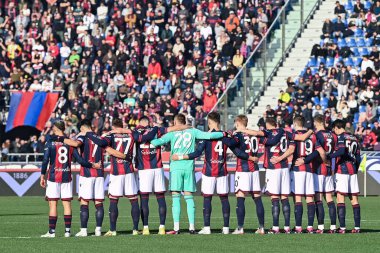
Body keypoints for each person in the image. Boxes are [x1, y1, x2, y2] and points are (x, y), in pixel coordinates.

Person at [172, 113, 256, 235]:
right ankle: (226, 228)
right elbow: (236, 151)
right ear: (219, 121)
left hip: (208, 171)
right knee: (224, 199)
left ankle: (207, 228)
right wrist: (251, 158)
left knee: (207, 198)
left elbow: (197, 153)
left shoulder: (206, 136)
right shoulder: (225, 136)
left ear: (210, 122)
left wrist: (180, 156)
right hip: (222, 171)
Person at [151, 114, 226, 234]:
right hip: (188, 167)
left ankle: (176, 228)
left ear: (176, 122)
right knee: (189, 196)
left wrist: (150, 137)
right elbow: (210, 136)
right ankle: (192, 227)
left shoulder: (172, 133)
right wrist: (224, 134)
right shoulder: (193, 131)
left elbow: (155, 142)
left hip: (175, 167)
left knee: (176, 196)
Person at [238, 118, 312, 234]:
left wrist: (243, 129)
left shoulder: (267, 133)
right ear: (276, 124)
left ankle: (276, 227)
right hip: (284, 167)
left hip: (273, 168)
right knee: (284, 198)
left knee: (274, 198)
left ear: (267, 125)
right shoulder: (285, 132)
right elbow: (298, 142)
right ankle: (287, 227)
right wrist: (310, 131)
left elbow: (256, 133)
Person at [40, 121, 99, 238]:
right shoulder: (70, 143)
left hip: (53, 176)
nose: (52, 129)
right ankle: (67, 231)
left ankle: (51, 232)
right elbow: (80, 160)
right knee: (67, 204)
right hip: (67, 176)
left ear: (57, 128)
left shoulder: (50, 142)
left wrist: (42, 175)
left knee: (53, 205)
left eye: (53, 127)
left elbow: (45, 160)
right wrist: (93, 165)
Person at [271, 116, 320, 233]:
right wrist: (307, 159)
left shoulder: (294, 135)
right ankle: (309, 227)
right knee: (309, 198)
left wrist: (280, 158)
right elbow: (318, 151)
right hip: (309, 169)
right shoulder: (312, 135)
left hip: (297, 169)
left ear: (295, 124)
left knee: (297, 198)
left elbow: (291, 149)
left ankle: (298, 227)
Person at [296, 115, 338, 233]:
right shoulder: (333, 135)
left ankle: (320, 227)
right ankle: (333, 227)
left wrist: (306, 160)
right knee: (329, 198)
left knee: (318, 199)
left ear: (316, 123)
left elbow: (318, 152)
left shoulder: (317, 135)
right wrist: (330, 163)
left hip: (318, 168)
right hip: (329, 170)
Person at [329, 119, 361, 233]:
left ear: (337, 128)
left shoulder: (340, 137)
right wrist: (355, 169)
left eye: (334, 130)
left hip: (342, 170)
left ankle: (342, 227)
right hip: (352, 171)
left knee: (340, 198)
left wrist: (330, 155)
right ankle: (357, 228)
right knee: (354, 200)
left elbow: (342, 151)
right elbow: (358, 158)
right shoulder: (354, 138)